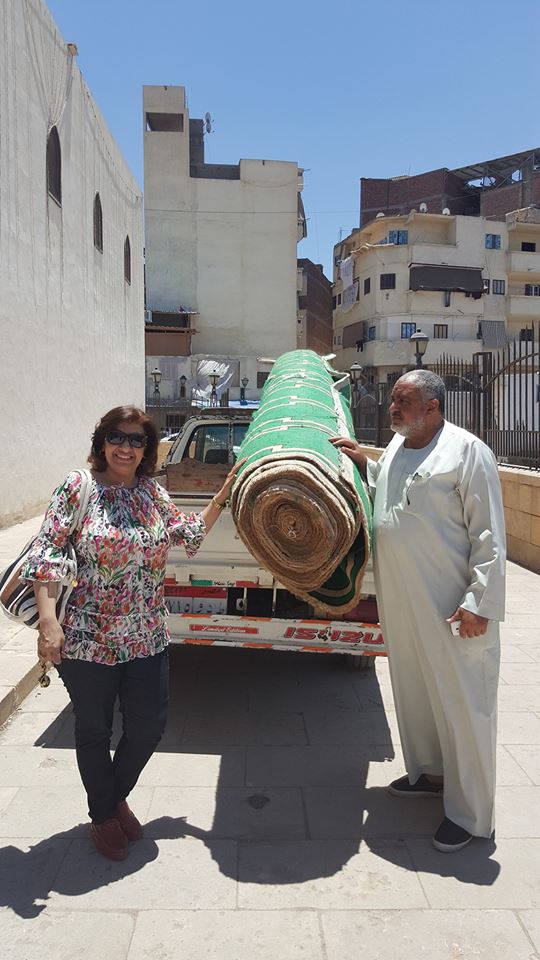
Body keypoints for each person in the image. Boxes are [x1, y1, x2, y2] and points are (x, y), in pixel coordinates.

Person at [23, 405, 241, 861]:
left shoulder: (151, 494)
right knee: (94, 729)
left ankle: (109, 799)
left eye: (137, 440)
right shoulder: (77, 487)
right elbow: (47, 555)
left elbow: (188, 535)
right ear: (101, 441)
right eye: (118, 438)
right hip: (87, 636)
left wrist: (223, 493)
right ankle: (104, 815)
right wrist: (48, 622)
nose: (126, 447)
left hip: (146, 634)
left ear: (147, 448)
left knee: (148, 727)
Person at [331, 370, 506, 853]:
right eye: (391, 401)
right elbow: (392, 486)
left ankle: (472, 816)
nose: (391, 408)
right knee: (415, 690)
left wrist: (480, 604)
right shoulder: (394, 447)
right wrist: (359, 456)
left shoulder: (467, 451)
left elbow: (490, 535)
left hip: (452, 604)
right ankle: (429, 772)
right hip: (404, 599)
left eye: (402, 402)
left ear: (433, 406)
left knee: (464, 702)